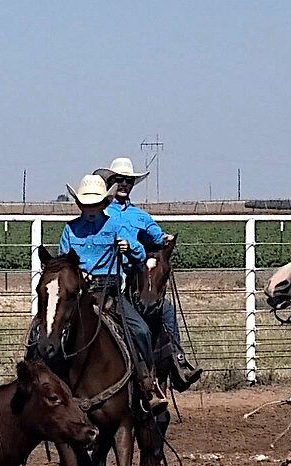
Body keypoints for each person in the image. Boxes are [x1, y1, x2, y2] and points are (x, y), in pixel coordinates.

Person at [58, 174, 166, 412]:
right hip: (79, 297)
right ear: (79, 205)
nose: (90, 209)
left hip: (110, 294)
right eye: (86, 205)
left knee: (141, 330)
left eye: (95, 204)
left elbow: (139, 256)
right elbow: (63, 262)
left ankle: (147, 384)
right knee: (47, 331)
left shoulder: (115, 226)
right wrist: (76, 274)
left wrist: (130, 247)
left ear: (104, 204)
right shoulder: (70, 230)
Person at [96, 157, 202, 391]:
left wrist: (164, 239)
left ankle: (177, 362)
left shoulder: (140, 216)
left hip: (135, 279)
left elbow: (156, 235)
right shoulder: (101, 214)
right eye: (119, 180)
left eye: (128, 181)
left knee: (165, 310)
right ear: (110, 182)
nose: (123, 185)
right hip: (110, 278)